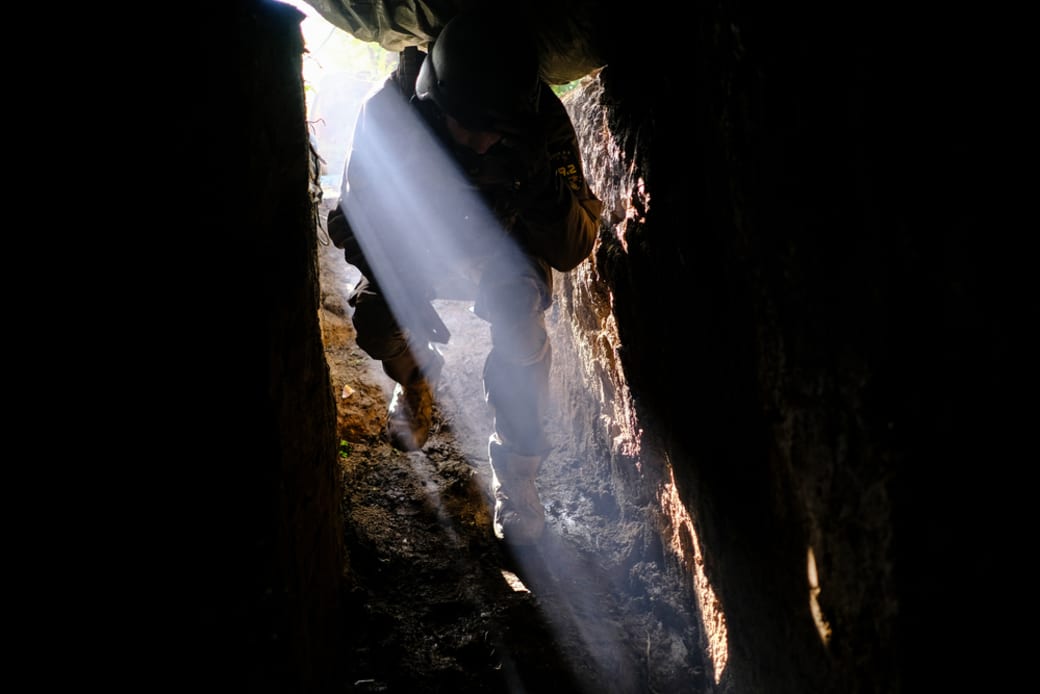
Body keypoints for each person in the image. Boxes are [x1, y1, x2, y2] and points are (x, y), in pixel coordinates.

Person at [326, 9, 602, 545]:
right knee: (378, 318)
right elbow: (355, 218)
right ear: (434, 101)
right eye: (468, 126)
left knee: (521, 325)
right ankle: (417, 380)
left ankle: (517, 475)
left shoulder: (541, 124)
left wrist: (541, 183)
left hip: (504, 246)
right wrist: (398, 286)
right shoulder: (391, 109)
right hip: (417, 242)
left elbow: (572, 249)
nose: (480, 143)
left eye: (495, 131)